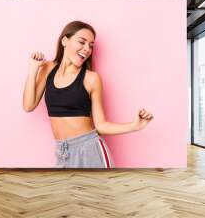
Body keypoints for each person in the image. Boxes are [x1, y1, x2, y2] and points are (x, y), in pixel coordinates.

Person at [22, 20, 153, 168]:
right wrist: (33, 69)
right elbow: (28, 105)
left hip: (90, 149)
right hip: (62, 151)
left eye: (91, 45)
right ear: (65, 41)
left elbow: (101, 125)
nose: (87, 49)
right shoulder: (48, 68)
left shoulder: (91, 78)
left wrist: (134, 126)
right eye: (81, 42)